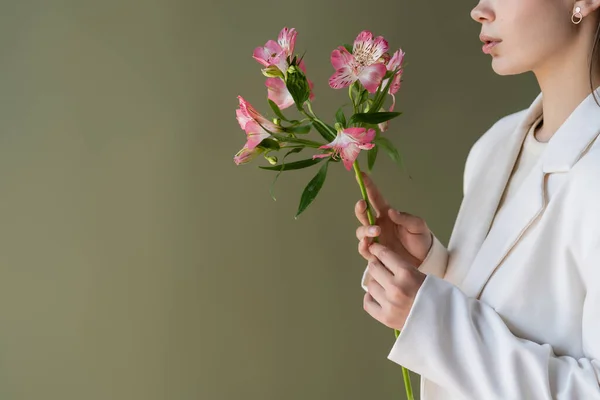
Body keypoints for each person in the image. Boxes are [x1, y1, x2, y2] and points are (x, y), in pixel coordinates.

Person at [355, 1, 600, 399]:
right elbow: (508, 307)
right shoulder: (496, 145)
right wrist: (432, 265)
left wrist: (431, 319)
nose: (480, 10)